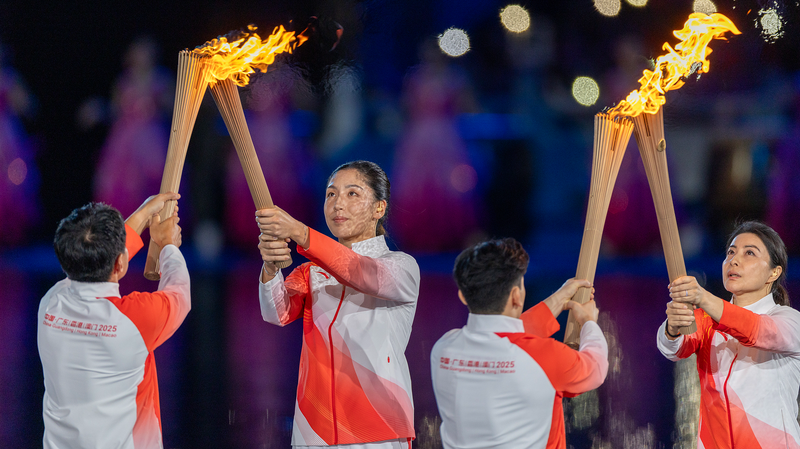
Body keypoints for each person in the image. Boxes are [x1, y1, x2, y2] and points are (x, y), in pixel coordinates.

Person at [256, 160, 419, 448]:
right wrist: (271, 268)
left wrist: (301, 232)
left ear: (379, 208)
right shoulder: (311, 272)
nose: (337, 204)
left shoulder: (400, 267)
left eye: (352, 194)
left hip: (378, 429)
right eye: (331, 194)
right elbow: (277, 313)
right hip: (313, 431)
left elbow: (359, 272)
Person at [37, 192, 188, 449]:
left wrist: (143, 213)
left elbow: (94, 258)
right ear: (120, 264)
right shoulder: (135, 320)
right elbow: (179, 295)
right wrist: (168, 246)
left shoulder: (51, 304)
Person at [430, 238, 609, 449]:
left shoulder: (443, 349)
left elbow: (503, 337)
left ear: (463, 296)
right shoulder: (544, 358)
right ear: (516, 296)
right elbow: (595, 367)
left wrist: (560, 298)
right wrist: (589, 321)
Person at [657, 220, 800, 447]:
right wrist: (672, 328)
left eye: (749, 253)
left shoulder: (789, 320)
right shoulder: (705, 320)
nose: (734, 260)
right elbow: (673, 348)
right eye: (730, 252)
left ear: (774, 272)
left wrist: (703, 298)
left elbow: (756, 330)